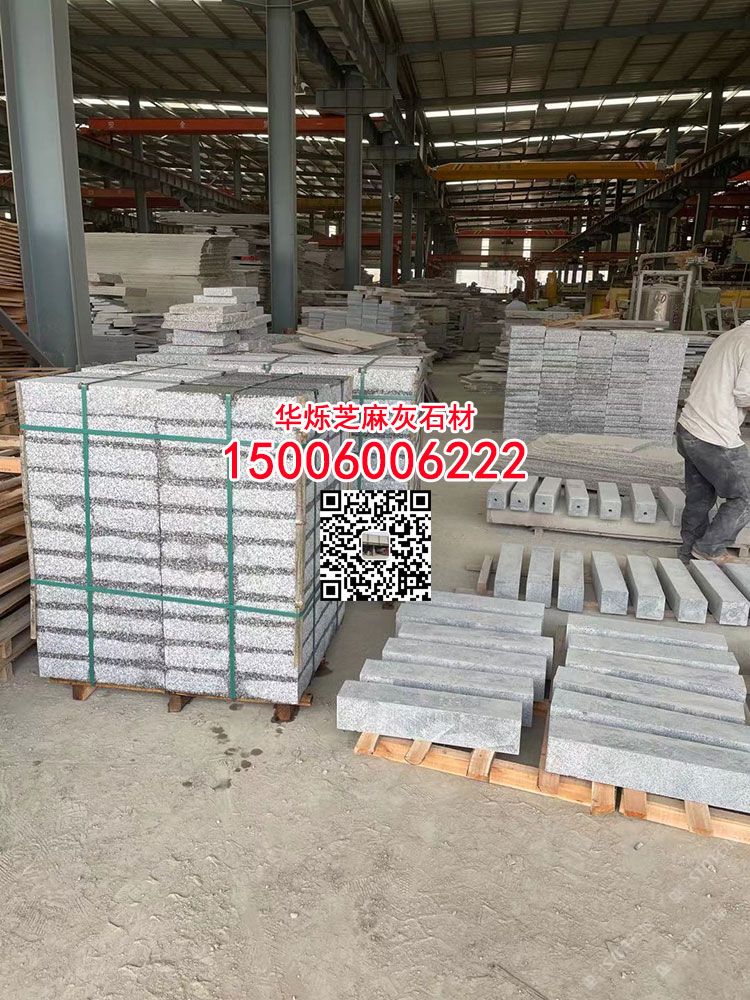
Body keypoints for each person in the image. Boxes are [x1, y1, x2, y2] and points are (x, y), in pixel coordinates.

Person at [676, 321, 750, 564]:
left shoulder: (730, 336)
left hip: (689, 428)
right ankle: (709, 548)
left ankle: (688, 555)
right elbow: (745, 394)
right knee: (746, 496)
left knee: (699, 497)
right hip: (714, 435)